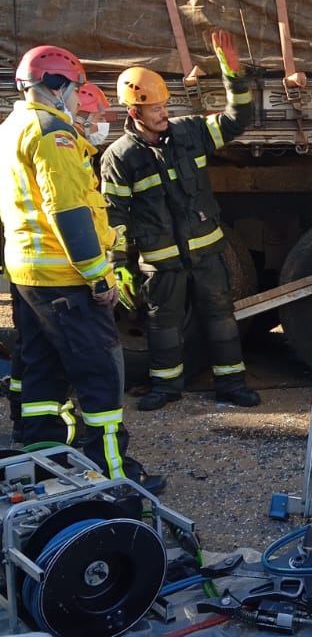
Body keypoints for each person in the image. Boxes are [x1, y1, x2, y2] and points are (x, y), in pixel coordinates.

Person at [100, 30, 261, 409]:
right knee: (163, 327)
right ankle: (165, 389)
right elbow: (115, 219)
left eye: (164, 105)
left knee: (221, 320)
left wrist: (232, 75)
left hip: (206, 252)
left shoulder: (190, 132)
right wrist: (119, 267)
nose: (163, 113)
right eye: (154, 108)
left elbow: (239, 119)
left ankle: (233, 386)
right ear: (133, 111)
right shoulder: (119, 157)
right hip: (160, 261)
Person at [0, 46, 132, 478]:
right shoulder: (52, 133)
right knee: (100, 371)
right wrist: (97, 277)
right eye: (75, 90)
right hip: (64, 275)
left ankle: (44, 461)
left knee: (42, 369)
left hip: (28, 272)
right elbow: (68, 211)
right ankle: (110, 472)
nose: (78, 100)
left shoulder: (13, 125)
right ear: (56, 86)